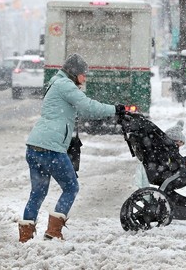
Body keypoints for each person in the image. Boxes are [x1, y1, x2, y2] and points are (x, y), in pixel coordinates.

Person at [18, 54, 125, 243]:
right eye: (83, 74)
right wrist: (115, 109)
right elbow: (88, 107)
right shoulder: (65, 85)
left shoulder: (56, 83)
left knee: (38, 192)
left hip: (34, 146)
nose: (85, 78)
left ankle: (25, 236)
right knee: (71, 187)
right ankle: (53, 231)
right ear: (74, 73)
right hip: (50, 148)